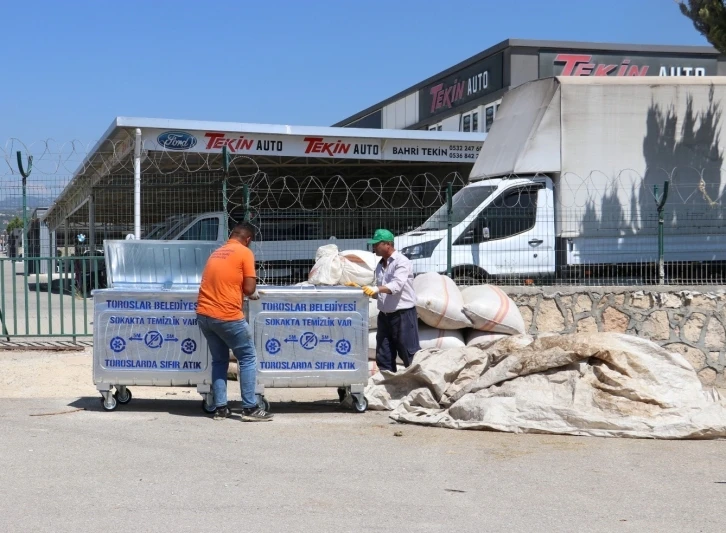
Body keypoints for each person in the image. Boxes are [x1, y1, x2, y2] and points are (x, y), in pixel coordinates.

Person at [196, 222, 273, 422]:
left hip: (204, 315)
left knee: (219, 361)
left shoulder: (217, 252)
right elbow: (248, 288)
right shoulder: (244, 252)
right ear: (248, 239)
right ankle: (250, 408)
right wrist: (253, 292)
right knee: (247, 357)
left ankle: (221, 409)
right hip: (227, 315)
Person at [362, 229, 420, 373]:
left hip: (403, 316)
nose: (374, 247)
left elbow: (396, 286)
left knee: (409, 354)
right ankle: (388, 389)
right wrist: (362, 291)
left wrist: (376, 289)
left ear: (388, 244)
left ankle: (416, 387)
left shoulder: (402, 262)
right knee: (384, 355)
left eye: (377, 244)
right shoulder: (380, 265)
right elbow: (381, 292)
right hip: (385, 317)